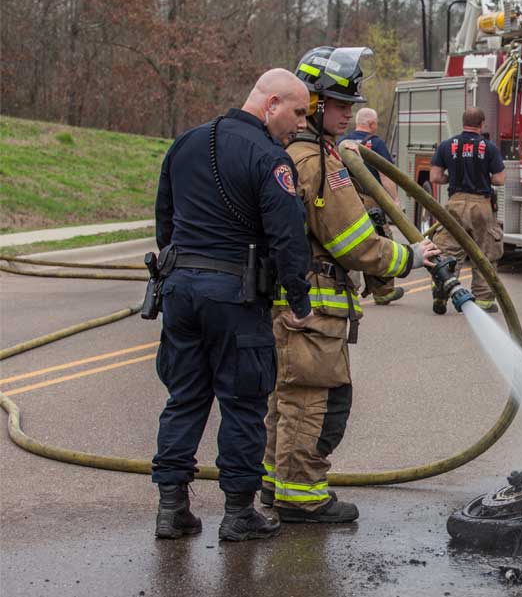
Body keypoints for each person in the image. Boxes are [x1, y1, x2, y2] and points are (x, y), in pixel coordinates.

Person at [260, 46, 440, 523]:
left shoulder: (289, 153)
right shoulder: (319, 162)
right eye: (339, 104)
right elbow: (355, 242)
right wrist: (412, 258)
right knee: (314, 402)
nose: (346, 114)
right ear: (314, 105)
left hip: (288, 306)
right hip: (313, 312)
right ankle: (302, 498)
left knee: (288, 399)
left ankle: (275, 486)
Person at [151, 68, 314, 542]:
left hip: (180, 291)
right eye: (297, 112)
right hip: (236, 297)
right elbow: (288, 237)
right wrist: (299, 301)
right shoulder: (269, 157)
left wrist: (181, 270)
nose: (301, 124)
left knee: (183, 398)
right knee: (243, 402)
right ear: (271, 105)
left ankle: (171, 509)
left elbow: (166, 218)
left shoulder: (185, 143)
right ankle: (240, 513)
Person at [428, 107, 505, 314]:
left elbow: (435, 177)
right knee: (485, 253)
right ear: (482, 124)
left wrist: (451, 178)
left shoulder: (447, 145)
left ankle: (441, 291)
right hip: (481, 205)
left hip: (454, 203)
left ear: (463, 122)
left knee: (448, 250)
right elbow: (499, 179)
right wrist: (483, 178)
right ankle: (483, 301)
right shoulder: (488, 147)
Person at [337, 107, 404, 306]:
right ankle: (383, 291)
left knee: (350, 242)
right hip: (370, 200)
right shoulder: (374, 143)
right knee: (380, 241)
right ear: (372, 124)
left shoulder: (343, 143)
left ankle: (348, 289)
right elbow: (385, 174)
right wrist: (394, 200)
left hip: (347, 200)